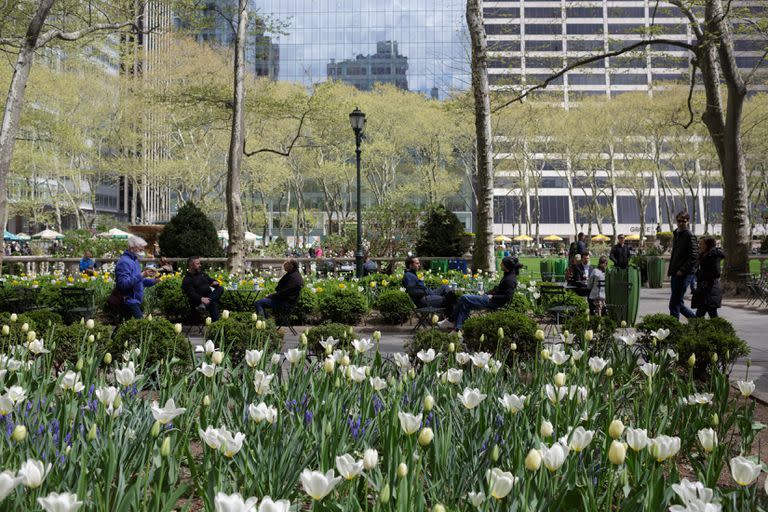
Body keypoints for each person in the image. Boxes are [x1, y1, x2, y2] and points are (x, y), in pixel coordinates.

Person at [442, 256, 522, 330]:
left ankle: (450, 320)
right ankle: (457, 329)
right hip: (490, 299)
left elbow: (507, 297)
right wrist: (487, 293)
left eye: (502, 263)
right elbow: (498, 289)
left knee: (464, 298)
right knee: (465, 304)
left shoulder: (510, 280)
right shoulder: (508, 275)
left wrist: (492, 296)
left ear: (506, 266)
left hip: (493, 302)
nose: (500, 264)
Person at [114, 236, 159, 319]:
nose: (143, 252)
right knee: (142, 326)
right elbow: (123, 284)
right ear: (132, 248)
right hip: (128, 301)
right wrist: (142, 275)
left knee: (122, 327)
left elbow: (139, 281)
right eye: (140, 249)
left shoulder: (134, 260)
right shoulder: (124, 262)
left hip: (133, 301)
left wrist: (154, 281)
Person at [668, 211, 698, 319]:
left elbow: (694, 256)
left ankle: (674, 329)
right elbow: (675, 256)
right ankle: (696, 321)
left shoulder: (689, 236)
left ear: (688, 222)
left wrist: (682, 270)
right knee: (677, 303)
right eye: (679, 221)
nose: (680, 223)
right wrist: (672, 271)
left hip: (684, 274)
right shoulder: (677, 234)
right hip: (675, 273)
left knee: (674, 304)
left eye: (683, 221)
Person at [182, 256, 224, 321]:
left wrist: (215, 282)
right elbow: (191, 293)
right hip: (198, 303)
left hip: (206, 301)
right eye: (198, 264)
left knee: (220, 288)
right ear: (191, 265)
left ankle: (204, 305)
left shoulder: (202, 274)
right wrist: (201, 299)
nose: (200, 265)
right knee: (213, 303)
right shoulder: (187, 279)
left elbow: (211, 280)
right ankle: (216, 325)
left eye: (200, 263)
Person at [692, 237, 725, 318]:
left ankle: (695, 329)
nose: (699, 246)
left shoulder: (713, 256)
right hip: (705, 289)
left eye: (701, 244)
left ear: (708, 245)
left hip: (710, 288)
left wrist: (700, 274)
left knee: (704, 313)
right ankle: (718, 329)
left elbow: (716, 273)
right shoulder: (704, 255)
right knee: (708, 313)